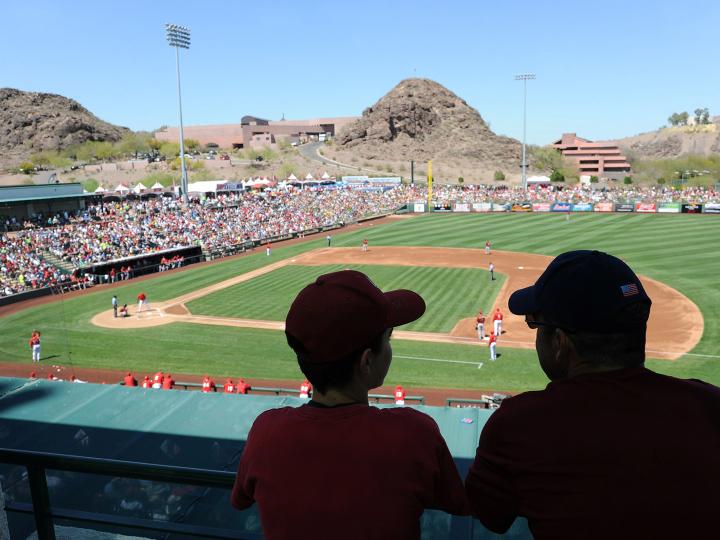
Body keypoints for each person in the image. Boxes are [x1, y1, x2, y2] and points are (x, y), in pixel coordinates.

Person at [465, 250, 720, 539]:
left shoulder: (518, 425)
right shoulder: (710, 406)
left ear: (561, 343)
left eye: (535, 325)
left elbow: (490, 515)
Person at [231, 270, 468, 537]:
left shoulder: (266, 431)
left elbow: (240, 500)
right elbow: (460, 502)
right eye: (387, 339)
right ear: (366, 361)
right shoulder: (413, 432)